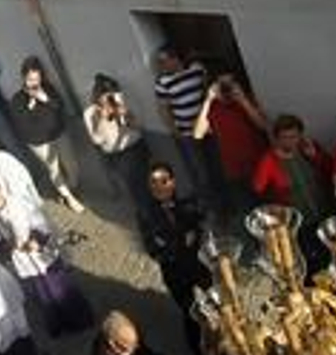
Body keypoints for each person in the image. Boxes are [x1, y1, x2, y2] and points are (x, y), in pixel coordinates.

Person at [0, 175, 94, 337]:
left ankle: (81, 321)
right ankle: (60, 326)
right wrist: (10, 245)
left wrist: (36, 240)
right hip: (23, 262)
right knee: (44, 296)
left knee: (62, 287)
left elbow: (39, 222)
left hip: (43, 253)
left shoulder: (18, 203)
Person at [141, 164, 213, 355]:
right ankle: (199, 354)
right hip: (175, 272)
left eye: (164, 181)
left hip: (197, 264)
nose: (159, 186)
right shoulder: (146, 214)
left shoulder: (186, 203)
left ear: (173, 182)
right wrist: (181, 241)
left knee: (216, 297)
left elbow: (200, 226)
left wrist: (196, 232)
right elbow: (154, 249)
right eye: (154, 182)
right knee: (190, 313)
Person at [7, 56, 86, 213]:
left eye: (37, 79)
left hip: (59, 134)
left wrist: (45, 99)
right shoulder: (17, 99)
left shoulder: (48, 88)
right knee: (54, 169)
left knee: (72, 165)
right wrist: (30, 108)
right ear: (23, 78)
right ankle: (69, 197)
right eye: (30, 79)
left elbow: (60, 107)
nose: (34, 83)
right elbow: (22, 125)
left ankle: (70, 188)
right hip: (39, 142)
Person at [191, 68, 268, 222]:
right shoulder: (213, 107)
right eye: (223, 85)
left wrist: (243, 100)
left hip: (259, 166)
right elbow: (198, 134)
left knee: (269, 211)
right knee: (251, 216)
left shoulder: (247, 100)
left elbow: (263, 125)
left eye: (231, 83)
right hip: (235, 172)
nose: (227, 88)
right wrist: (208, 100)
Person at [251, 114, 335, 250]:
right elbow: (257, 191)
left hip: (322, 214)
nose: (290, 142)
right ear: (277, 139)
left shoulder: (307, 148)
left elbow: (330, 170)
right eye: (285, 138)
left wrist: (315, 156)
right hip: (298, 224)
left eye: (294, 137)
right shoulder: (268, 161)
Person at [83, 74, 155, 226]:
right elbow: (97, 140)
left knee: (150, 183)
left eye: (113, 94)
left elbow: (138, 126)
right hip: (119, 155)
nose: (110, 100)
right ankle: (148, 219)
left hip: (137, 146)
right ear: (97, 95)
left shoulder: (123, 101)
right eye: (105, 96)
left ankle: (157, 213)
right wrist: (101, 120)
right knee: (137, 190)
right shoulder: (90, 113)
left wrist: (127, 115)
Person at [153, 45, 219, 209]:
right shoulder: (163, 82)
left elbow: (206, 91)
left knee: (216, 167)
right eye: (159, 62)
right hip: (186, 134)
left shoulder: (197, 70)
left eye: (163, 61)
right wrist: (176, 132)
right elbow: (164, 110)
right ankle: (211, 208)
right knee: (200, 172)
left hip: (208, 130)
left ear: (175, 59)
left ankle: (224, 204)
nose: (160, 66)